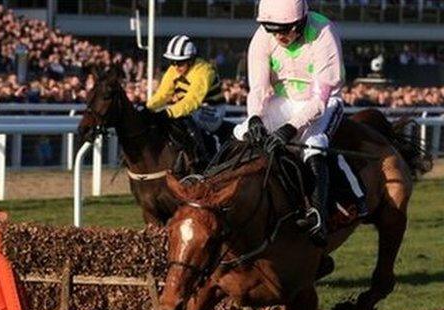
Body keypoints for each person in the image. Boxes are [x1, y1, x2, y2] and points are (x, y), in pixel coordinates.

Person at [232, 0, 367, 247]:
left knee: (313, 143)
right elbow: (259, 88)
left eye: (285, 29)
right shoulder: (264, 36)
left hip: (324, 103)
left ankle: (318, 214)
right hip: (282, 101)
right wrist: (254, 118)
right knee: (243, 133)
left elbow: (319, 100)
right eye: (272, 29)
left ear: (301, 21)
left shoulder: (323, 32)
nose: (279, 36)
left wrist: (290, 127)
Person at [145, 35, 228, 172]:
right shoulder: (173, 70)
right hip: (192, 108)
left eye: (180, 62)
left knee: (185, 115)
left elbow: (192, 101)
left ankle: (202, 158)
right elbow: (163, 94)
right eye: (173, 61)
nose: (176, 66)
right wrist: (148, 108)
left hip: (213, 111)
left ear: (191, 60)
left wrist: (168, 112)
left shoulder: (203, 71)